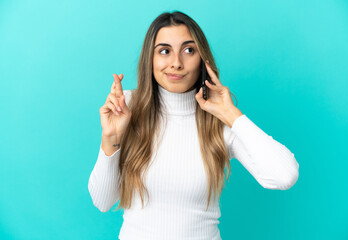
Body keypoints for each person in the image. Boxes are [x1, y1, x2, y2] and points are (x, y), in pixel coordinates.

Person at [88, 10, 299, 240]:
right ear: (150, 59)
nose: (176, 63)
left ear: (202, 60)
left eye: (189, 50)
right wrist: (111, 139)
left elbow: (284, 175)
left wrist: (231, 114)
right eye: (165, 51)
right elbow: (103, 201)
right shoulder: (127, 107)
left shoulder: (218, 119)